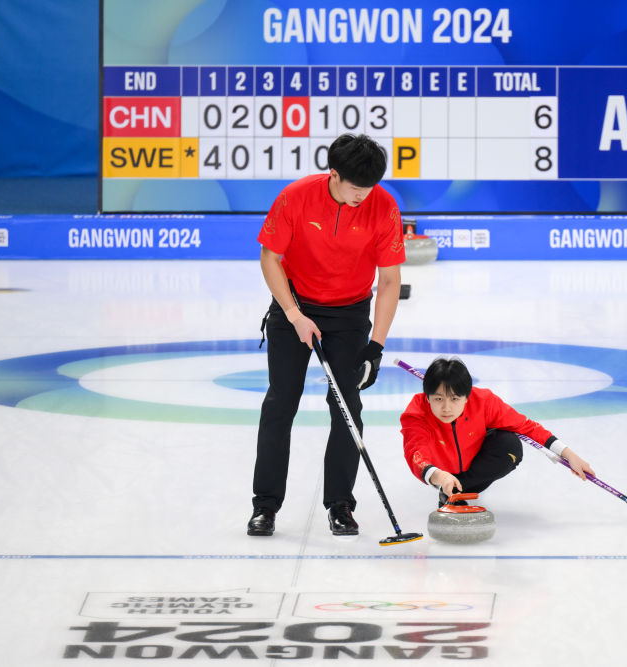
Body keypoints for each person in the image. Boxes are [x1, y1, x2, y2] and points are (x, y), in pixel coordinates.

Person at [248, 133, 405, 537]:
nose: (363, 196)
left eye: (369, 188)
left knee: (347, 407)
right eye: (356, 188)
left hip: (350, 313)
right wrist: (293, 314)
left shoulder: (383, 207)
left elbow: (389, 281)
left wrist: (375, 346)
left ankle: (340, 505)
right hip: (294, 304)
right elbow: (270, 257)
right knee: (280, 402)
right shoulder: (296, 197)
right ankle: (265, 505)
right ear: (334, 174)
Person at [401, 357, 594, 506]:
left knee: (510, 445)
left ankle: (457, 490)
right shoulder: (417, 414)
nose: (446, 408)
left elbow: (526, 426)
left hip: (473, 465)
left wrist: (569, 454)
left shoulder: (483, 402)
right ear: (427, 397)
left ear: (467, 397)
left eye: (454, 399)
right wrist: (440, 476)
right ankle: (448, 486)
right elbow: (415, 454)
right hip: (440, 471)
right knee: (437, 470)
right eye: (438, 399)